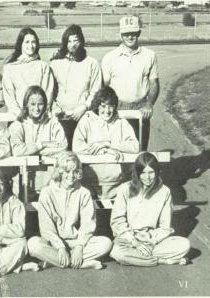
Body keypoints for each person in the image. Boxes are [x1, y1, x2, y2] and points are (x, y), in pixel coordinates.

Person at [28, 152, 112, 270]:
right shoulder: (47, 193)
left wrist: (79, 246)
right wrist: (60, 247)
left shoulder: (84, 193)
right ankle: (81, 264)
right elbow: (46, 228)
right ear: (60, 172)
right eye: (67, 171)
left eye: (75, 171)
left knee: (106, 243)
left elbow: (88, 225)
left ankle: (58, 261)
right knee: (33, 244)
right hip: (54, 244)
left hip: (76, 242)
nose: (71, 176)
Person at [110, 152, 190, 266]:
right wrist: (135, 242)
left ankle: (138, 257)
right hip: (129, 239)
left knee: (184, 245)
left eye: (151, 172)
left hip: (152, 239)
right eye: (143, 173)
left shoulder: (164, 191)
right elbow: (117, 221)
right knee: (117, 252)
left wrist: (152, 241)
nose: (147, 177)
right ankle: (163, 260)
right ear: (137, 173)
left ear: (157, 172)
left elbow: (165, 227)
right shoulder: (125, 189)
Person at [102, 15, 160, 150]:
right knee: (117, 149)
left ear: (138, 33)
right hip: (117, 108)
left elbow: (154, 83)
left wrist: (149, 104)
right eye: (126, 34)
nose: (130, 37)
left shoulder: (149, 55)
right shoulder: (110, 57)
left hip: (140, 108)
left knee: (140, 150)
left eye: (133, 33)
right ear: (121, 34)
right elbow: (104, 88)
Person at [72, 86, 139, 200]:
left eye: (111, 106)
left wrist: (110, 145)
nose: (107, 111)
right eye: (103, 106)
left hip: (118, 183)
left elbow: (135, 146)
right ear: (97, 105)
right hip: (91, 183)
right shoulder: (87, 120)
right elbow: (77, 146)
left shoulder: (121, 122)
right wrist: (103, 151)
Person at [50, 24, 102, 149]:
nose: (72, 44)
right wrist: (55, 108)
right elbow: (50, 90)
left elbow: (96, 91)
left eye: (76, 40)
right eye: (69, 41)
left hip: (83, 117)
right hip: (61, 118)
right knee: (63, 155)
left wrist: (83, 108)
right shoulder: (55, 63)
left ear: (82, 41)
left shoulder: (92, 63)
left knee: (83, 155)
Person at [3, 27, 54, 117]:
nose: (30, 46)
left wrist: (40, 113)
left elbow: (47, 93)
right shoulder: (9, 68)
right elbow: (9, 95)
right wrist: (19, 114)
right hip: (18, 118)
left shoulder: (43, 66)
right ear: (21, 44)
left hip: (39, 117)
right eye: (27, 42)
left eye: (33, 42)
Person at [9, 85, 68, 158]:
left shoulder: (53, 123)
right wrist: (42, 144)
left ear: (45, 104)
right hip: (25, 168)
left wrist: (31, 151)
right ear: (26, 104)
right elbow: (17, 150)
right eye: (33, 104)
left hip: (51, 169)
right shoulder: (17, 125)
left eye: (40, 104)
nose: (37, 108)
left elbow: (63, 145)